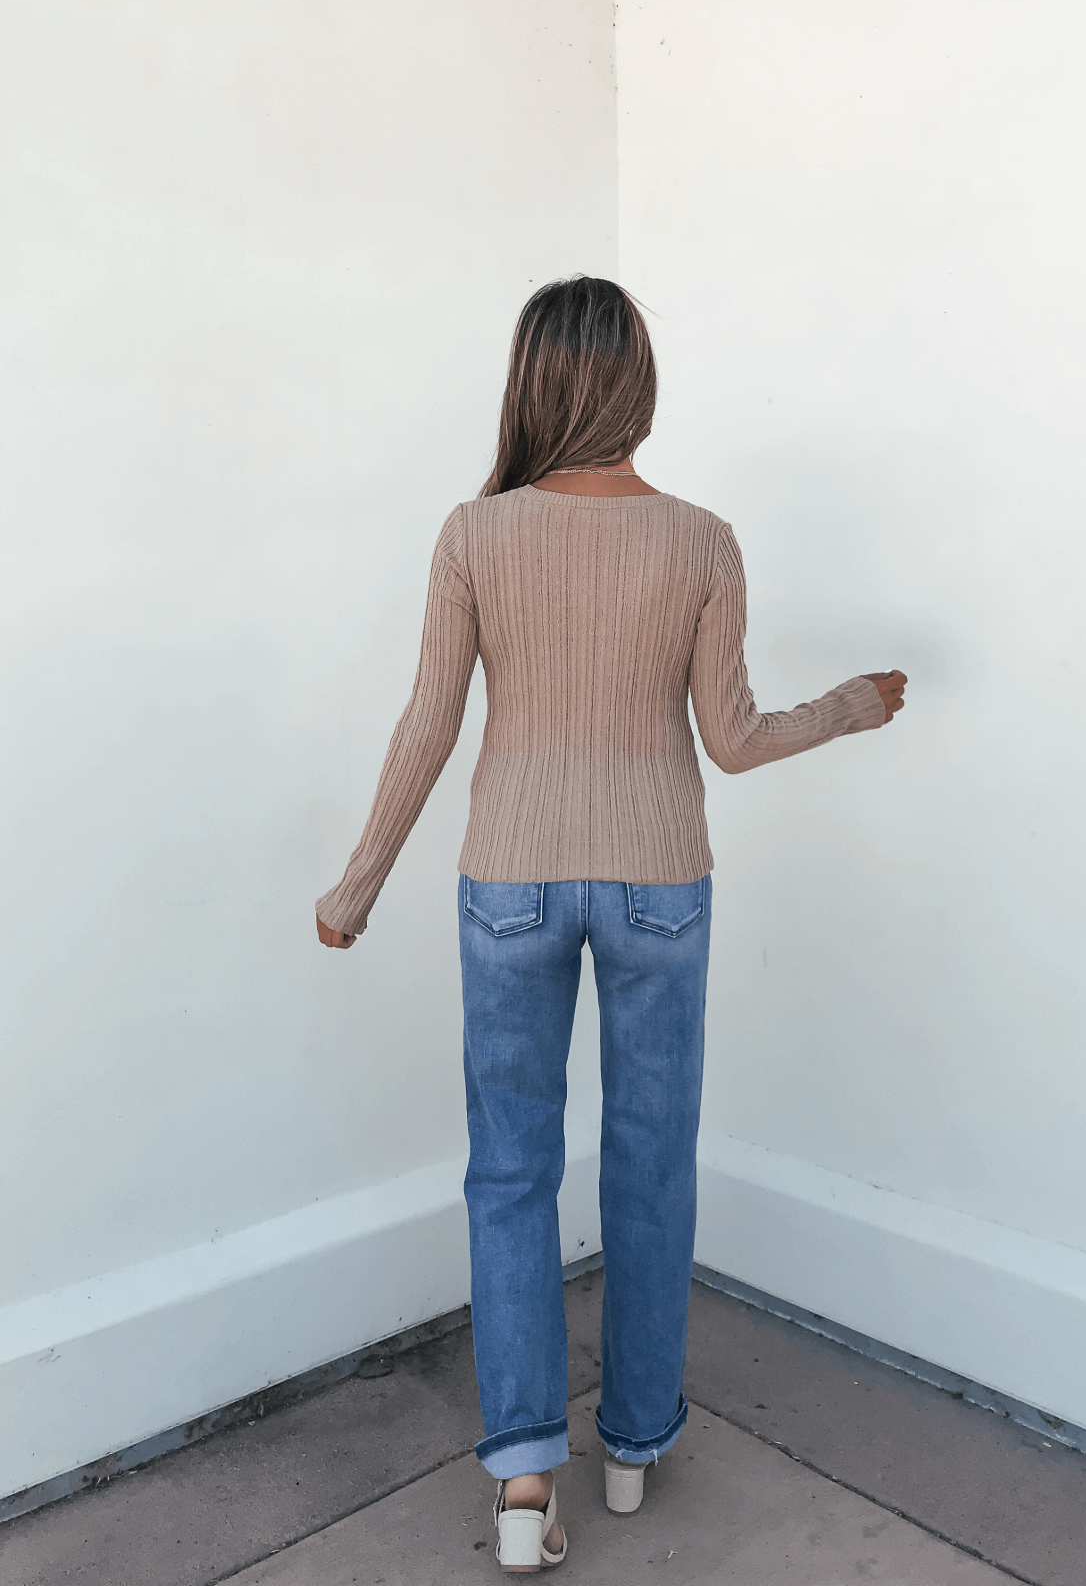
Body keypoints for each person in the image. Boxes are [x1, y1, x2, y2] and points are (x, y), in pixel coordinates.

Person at [315, 276, 906, 1572]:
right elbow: (735, 744)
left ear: (531, 384)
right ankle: (634, 1446)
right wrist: (858, 704)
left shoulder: (474, 534)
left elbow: (430, 723)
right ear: (638, 384)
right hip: (661, 885)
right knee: (650, 1164)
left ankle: (525, 1484)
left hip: (509, 883)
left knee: (511, 1174)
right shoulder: (701, 538)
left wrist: (356, 885)